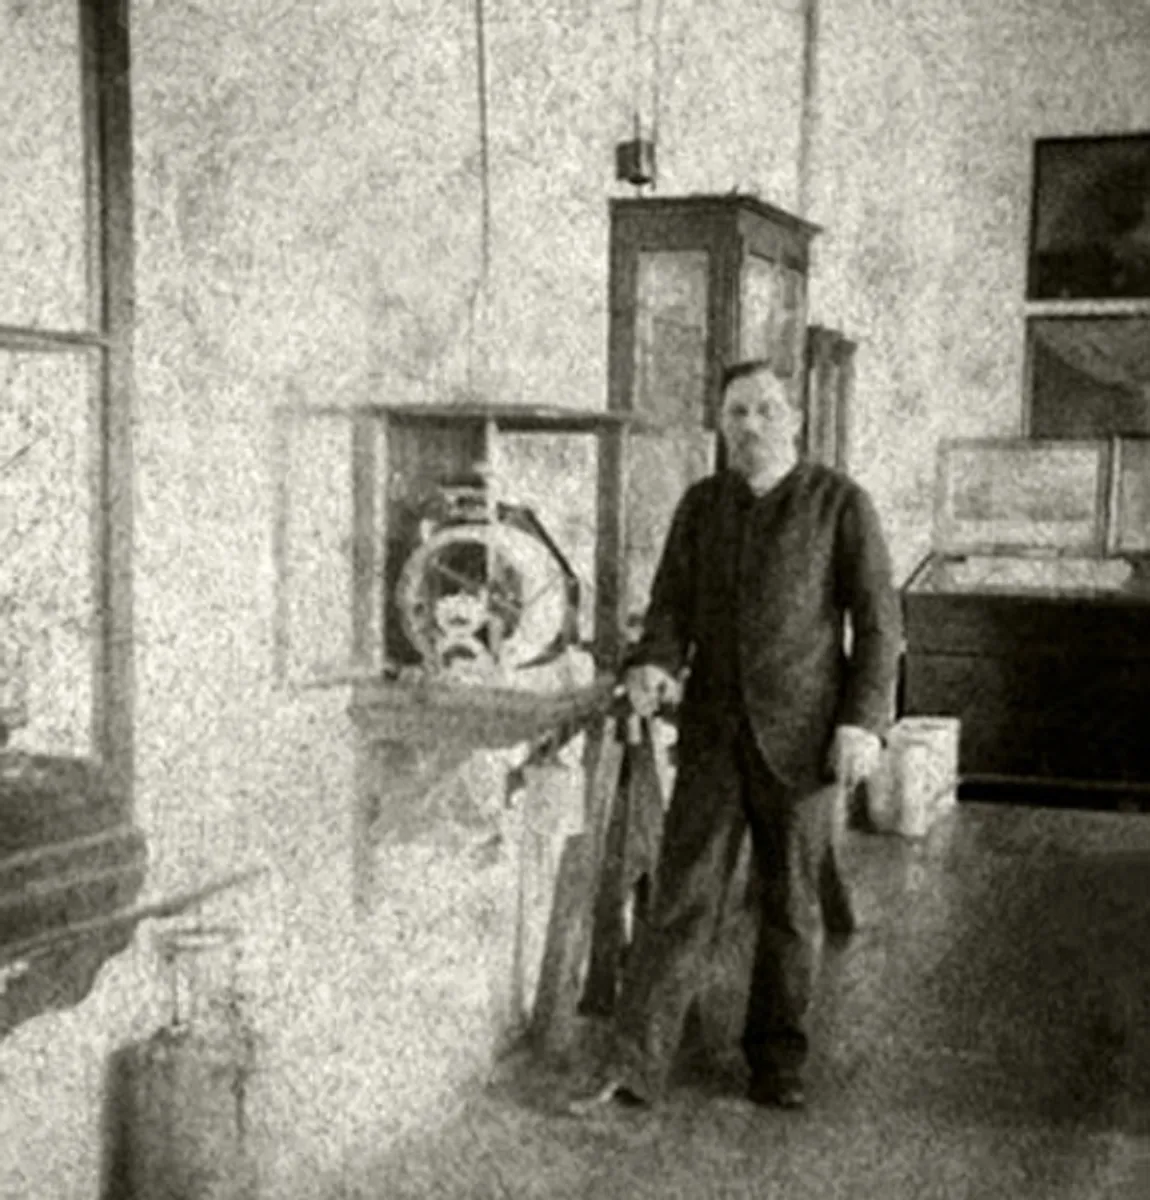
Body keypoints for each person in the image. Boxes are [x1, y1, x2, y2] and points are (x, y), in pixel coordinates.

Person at [571, 359, 901, 1113]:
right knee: (681, 898)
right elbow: (669, 609)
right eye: (736, 414)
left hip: (805, 740)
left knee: (792, 905)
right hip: (714, 735)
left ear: (795, 421)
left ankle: (776, 1063)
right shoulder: (702, 506)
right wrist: (654, 663)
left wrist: (863, 723)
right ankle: (636, 1063)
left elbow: (880, 625)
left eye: (764, 410)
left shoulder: (840, 504)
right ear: (720, 426)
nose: (750, 426)